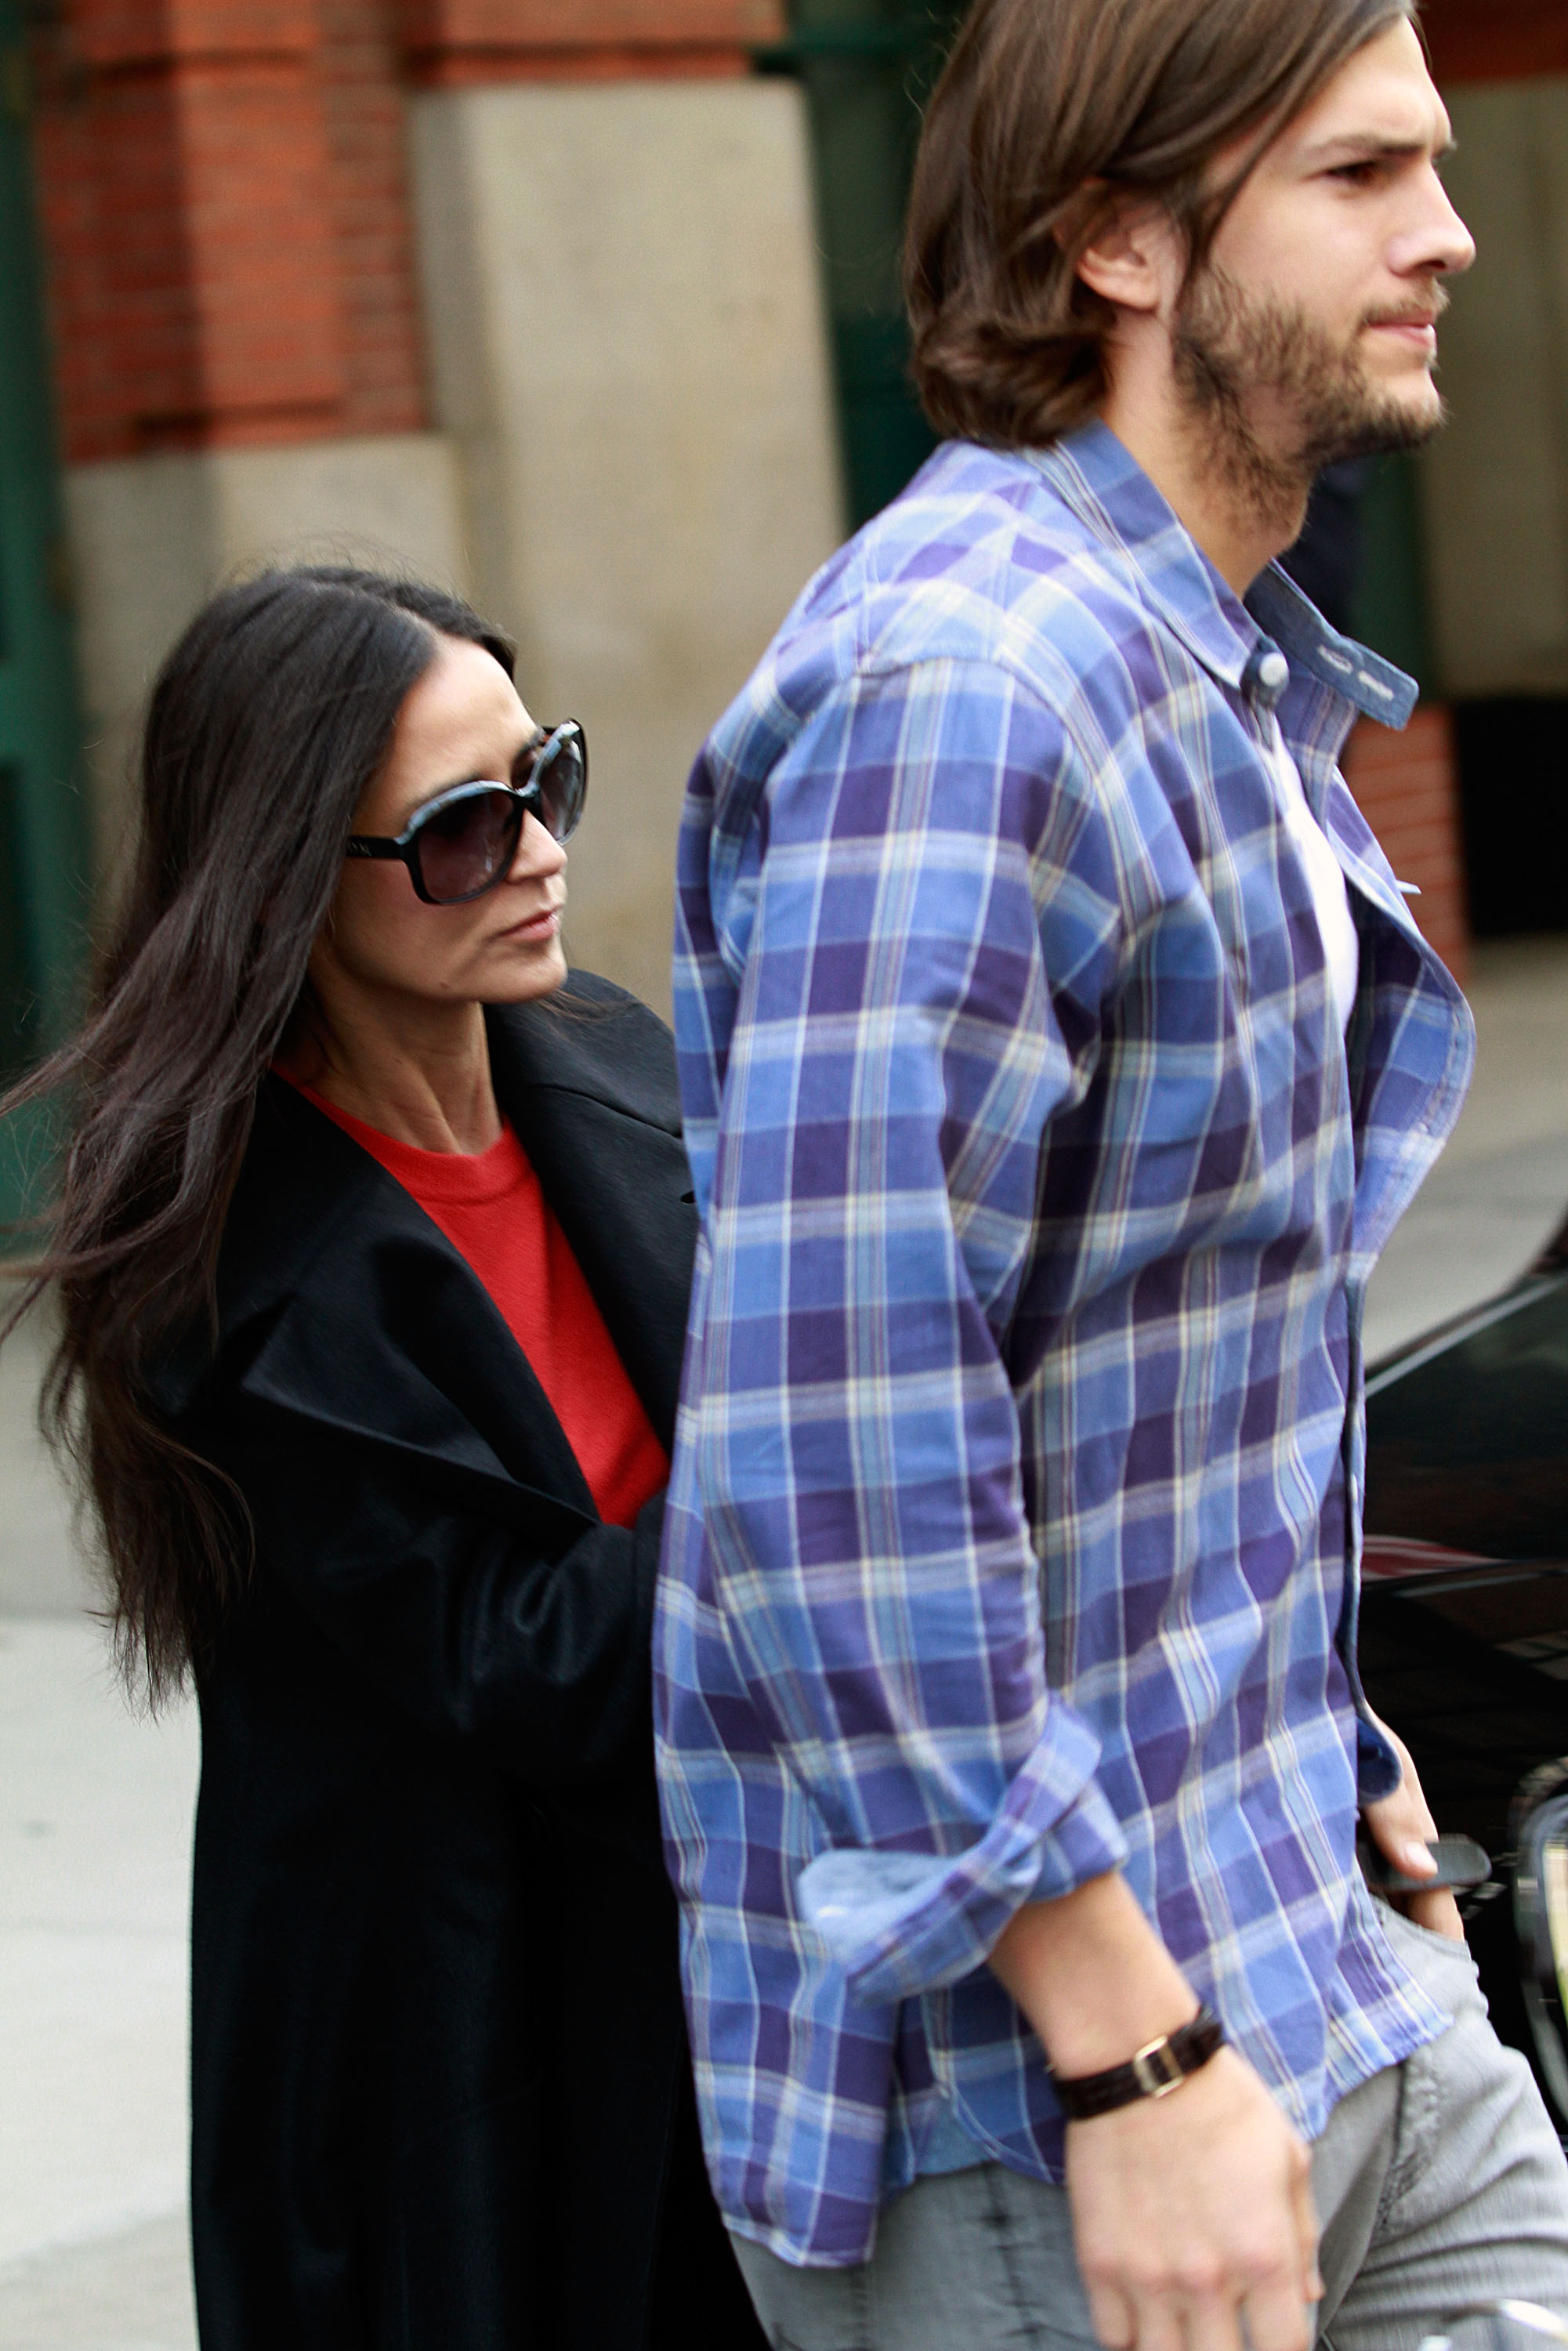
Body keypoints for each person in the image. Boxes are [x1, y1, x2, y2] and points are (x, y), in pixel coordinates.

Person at [655, 4, 1568, 2348]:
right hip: (1048, 2100)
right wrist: (1128, 2053)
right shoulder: (968, 691)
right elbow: (832, 1456)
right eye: (1358, 177)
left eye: (1430, 163)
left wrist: (1324, 1737)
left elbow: (1158, 1342)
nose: (1447, 233)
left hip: (1319, 1948)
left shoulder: (1211, 661)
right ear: (1115, 240)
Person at [0, 567, 764, 2351]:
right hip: (456, 2061)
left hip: (721, 1972)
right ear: (287, 878)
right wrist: (851, 1464)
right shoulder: (219, 1274)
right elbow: (539, 1659)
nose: (537, 854)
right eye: (459, 832)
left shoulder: (608, 1055)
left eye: (545, 779)